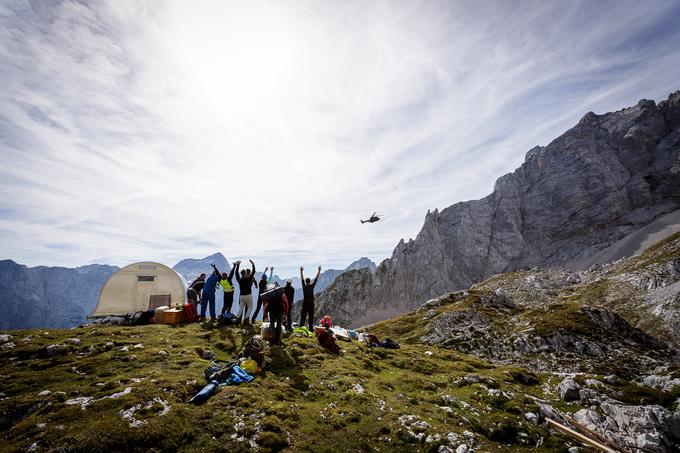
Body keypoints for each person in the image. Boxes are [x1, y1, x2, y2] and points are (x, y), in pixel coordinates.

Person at [300, 265, 321, 331]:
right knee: (311, 318)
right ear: (309, 282)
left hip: (305, 304)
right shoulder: (312, 286)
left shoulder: (304, 286)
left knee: (303, 317)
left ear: (306, 282)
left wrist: (301, 271)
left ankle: (301, 328)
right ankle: (311, 329)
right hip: (311, 304)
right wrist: (319, 271)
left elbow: (302, 278)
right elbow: (316, 279)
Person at [235, 260, 257, 324]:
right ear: (245, 273)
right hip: (248, 296)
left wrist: (238, 265)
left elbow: (236, 273)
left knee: (240, 308)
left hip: (241, 296)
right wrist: (253, 264)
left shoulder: (239, 280)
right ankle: (246, 319)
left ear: (241, 274)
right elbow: (253, 272)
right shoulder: (248, 279)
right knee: (250, 307)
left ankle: (237, 319)